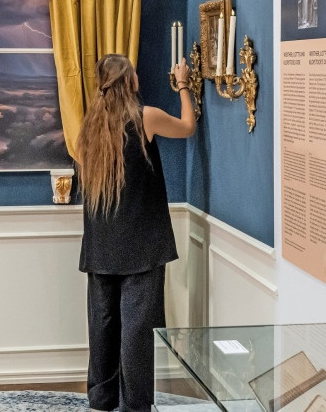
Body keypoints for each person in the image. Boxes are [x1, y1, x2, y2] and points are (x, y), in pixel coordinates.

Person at [77, 53, 195, 412]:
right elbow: (188, 127)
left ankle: (101, 398)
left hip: (101, 244)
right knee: (136, 332)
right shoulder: (145, 118)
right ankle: (135, 407)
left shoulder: (89, 127)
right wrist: (184, 84)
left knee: (103, 325)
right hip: (141, 245)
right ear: (129, 81)